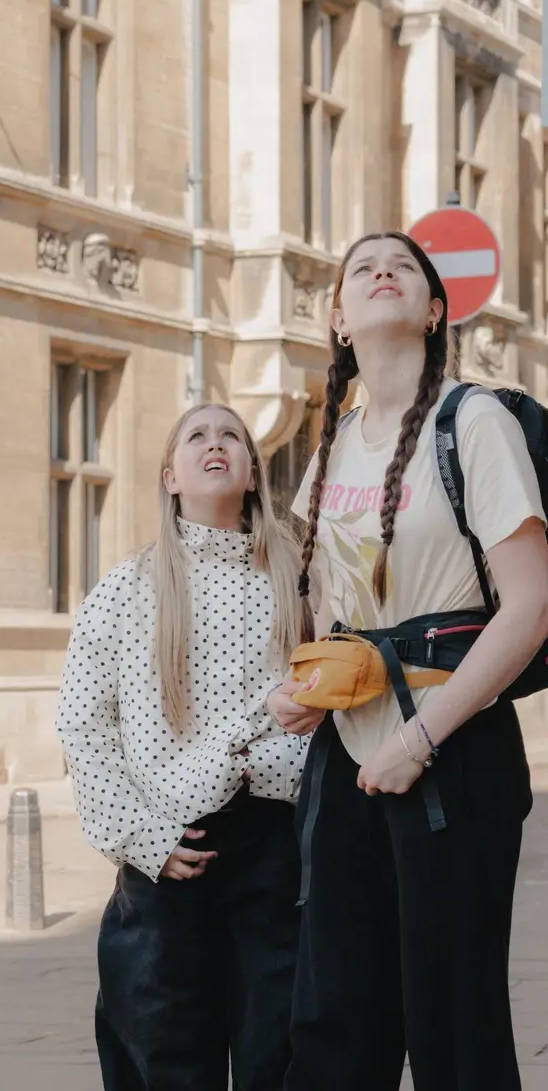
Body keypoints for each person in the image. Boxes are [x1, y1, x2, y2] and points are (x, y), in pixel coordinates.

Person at [269, 230, 548, 1091]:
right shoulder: (329, 453)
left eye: (403, 266)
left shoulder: (476, 422)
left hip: (452, 755)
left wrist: (420, 741)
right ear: (340, 319)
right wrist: (307, 691)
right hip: (345, 757)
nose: (381, 271)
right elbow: (332, 609)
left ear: (434, 311)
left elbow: (531, 606)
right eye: (361, 268)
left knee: (452, 1022)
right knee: (335, 1017)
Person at [57, 403, 316, 1091]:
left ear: (253, 470)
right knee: (165, 1051)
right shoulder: (125, 589)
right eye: (196, 435)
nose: (215, 443)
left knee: (278, 1051)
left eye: (230, 434)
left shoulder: (301, 583)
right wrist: (141, 838)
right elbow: (85, 726)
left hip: (276, 849)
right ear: (170, 476)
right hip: (168, 853)